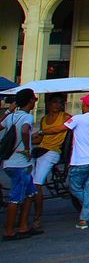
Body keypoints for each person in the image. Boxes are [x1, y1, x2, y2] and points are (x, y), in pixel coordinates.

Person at [40, 93, 89, 230]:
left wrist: (42, 132)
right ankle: (84, 220)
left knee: (75, 187)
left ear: (84, 105)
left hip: (82, 161)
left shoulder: (78, 119)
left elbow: (59, 129)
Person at [2, 88, 37, 240]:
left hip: (9, 162)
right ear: (30, 101)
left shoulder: (12, 117)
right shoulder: (27, 118)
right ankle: (9, 231)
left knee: (30, 193)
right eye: (34, 99)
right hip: (20, 163)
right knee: (15, 197)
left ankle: (23, 226)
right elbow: (24, 131)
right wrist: (28, 148)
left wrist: (9, 111)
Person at [32, 93, 69, 232]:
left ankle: (37, 217)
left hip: (53, 151)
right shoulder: (44, 119)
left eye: (60, 102)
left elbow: (61, 128)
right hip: (41, 149)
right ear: (49, 104)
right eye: (54, 102)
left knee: (37, 183)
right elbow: (39, 139)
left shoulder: (65, 117)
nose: (57, 105)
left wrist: (42, 131)